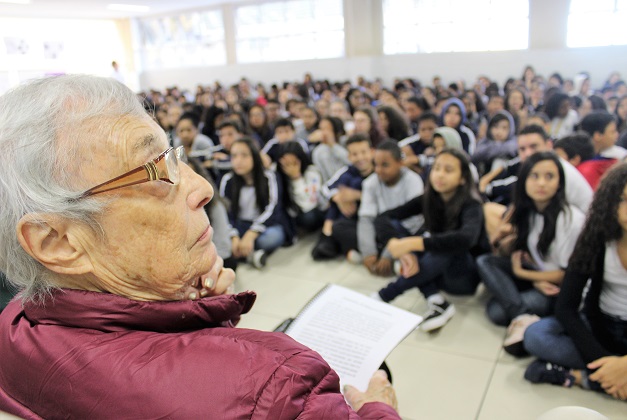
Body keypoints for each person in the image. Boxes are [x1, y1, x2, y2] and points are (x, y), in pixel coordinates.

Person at [0, 75, 399, 418]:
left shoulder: (15, 326)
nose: (202, 188)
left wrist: (197, 319)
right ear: (58, 242)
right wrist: (379, 408)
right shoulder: (273, 386)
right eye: (155, 170)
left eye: (174, 156)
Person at [522, 162, 627, 402]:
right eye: (622, 200)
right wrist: (607, 365)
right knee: (535, 336)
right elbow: (566, 306)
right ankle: (607, 378)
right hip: (601, 326)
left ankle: (581, 378)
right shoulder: (597, 236)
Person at [476, 152, 585, 356]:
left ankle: (521, 315)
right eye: (534, 176)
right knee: (485, 261)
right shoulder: (529, 211)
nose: (541, 183)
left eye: (549, 177)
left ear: (560, 182)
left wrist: (525, 274)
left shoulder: (570, 220)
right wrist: (501, 237)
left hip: (556, 288)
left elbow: (566, 275)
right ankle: (522, 315)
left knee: (496, 311)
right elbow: (514, 252)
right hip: (536, 273)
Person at [373, 149, 488, 332]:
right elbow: (384, 217)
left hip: (462, 277)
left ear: (462, 178)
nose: (440, 174)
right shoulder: (429, 198)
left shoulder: (472, 204)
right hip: (436, 269)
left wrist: (413, 244)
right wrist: (401, 249)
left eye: (448, 170)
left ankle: (384, 295)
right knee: (403, 232)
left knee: (444, 245)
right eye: (436, 168)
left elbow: (466, 239)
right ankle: (435, 299)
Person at [220, 138, 291, 268]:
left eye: (244, 155)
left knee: (271, 238)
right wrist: (233, 236)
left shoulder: (269, 176)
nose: (238, 161)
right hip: (240, 225)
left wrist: (252, 233)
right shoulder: (228, 180)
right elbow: (226, 213)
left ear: (255, 156)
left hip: (265, 227)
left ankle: (242, 253)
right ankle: (251, 255)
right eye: (234, 156)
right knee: (221, 238)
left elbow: (273, 209)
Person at [358, 140, 424, 277]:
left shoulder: (413, 181)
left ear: (400, 163)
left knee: (394, 225)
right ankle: (374, 255)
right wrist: (368, 254)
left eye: (385, 165)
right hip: (381, 230)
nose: (378, 170)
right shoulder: (370, 182)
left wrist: (389, 254)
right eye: (376, 164)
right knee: (345, 226)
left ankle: (393, 258)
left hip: (405, 232)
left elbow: (413, 222)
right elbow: (366, 218)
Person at [312, 133, 375, 261]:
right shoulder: (347, 171)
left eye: (364, 152)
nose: (360, 157)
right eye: (354, 154)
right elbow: (325, 189)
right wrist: (338, 198)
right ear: (349, 156)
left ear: (371, 152)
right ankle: (331, 238)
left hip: (369, 220)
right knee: (338, 193)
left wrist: (358, 196)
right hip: (348, 218)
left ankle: (329, 238)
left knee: (353, 186)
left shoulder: (378, 172)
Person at [276, 141, 328, 232]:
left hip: (313, 210)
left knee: (309, 217)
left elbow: (308, 205)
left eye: (293, 163)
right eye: (286, 164)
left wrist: (296, 178)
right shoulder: (278, 176)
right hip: (291, 215)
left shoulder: (312, 172)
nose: (290, 167)